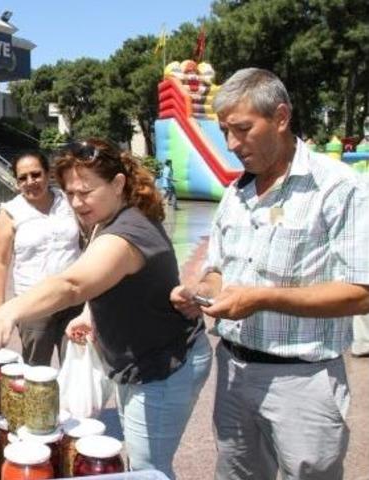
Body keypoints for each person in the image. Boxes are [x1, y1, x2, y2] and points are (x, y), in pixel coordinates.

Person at [170, 68, 369, 480]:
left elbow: (362, 291)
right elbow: (220, 271)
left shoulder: (338, 188)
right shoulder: (236, 193)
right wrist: (199, 291)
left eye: (242, 129)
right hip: (234, 373)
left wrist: (261, 298)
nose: (231, 145)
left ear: (280, 117)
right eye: (225, 131)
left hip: (304, 381)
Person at [0, 139, 212, 478]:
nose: (76, 202)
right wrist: (89, 314)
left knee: (149, 469)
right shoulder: (104, 221)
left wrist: (7, 311)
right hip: (138, 364)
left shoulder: (127, 231)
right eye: (69, 193)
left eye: (85, 192)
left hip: (164, 365)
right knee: (139, 459)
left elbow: (73, 284)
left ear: (117, 184)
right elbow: (111, 282)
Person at [0, 151, 83, 366]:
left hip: (73, 298)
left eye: (36, 174)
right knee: (35, 370)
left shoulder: (69, 201)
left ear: (48, 174)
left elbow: (89, 243)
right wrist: (0, 312)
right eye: (23, 178)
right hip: (33, 303)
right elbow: (0, 262)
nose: (30, 182)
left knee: (76, 367)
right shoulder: (11, 212)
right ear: (16, 182)